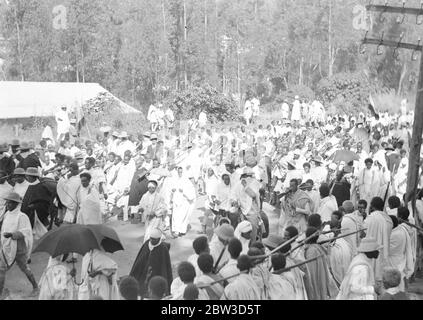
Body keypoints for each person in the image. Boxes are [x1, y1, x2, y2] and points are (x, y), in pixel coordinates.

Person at [0, 192, 37, 300]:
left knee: (24, 268)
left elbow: (26, 232)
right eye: (7, 203)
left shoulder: (22, 217)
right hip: (6, 247)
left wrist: (12, 235)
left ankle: (35, 287)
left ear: (16, 204)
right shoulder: (6, 214)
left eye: (10, 203)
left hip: (19, 249)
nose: (7, 205)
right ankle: (1, 292)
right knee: (1, 269)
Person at [130, 228, 173, 298]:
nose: (152, 240)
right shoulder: (147, 244)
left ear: (159, 239)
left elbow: (165, 266)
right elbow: (140, 259)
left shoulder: (163, 248)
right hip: (143, 274)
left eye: (154, 239)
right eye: (151, 238)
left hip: (156, 274)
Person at [303, 227, 338, 300]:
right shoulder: (317, 247)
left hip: (315, 283)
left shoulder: (312, 251)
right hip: (320, 280)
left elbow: (311, 273)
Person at [364, 197, 393, 282]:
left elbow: (363, 233)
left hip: (372, 252)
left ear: (372, 206)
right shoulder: (389, 219)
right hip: (384, 252)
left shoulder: (371, 218)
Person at [388, 210, 414, 291]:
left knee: (393, 286)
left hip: (394, 262)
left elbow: (386, 249)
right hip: (400, 260)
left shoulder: (395, 235)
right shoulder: (401, 230)